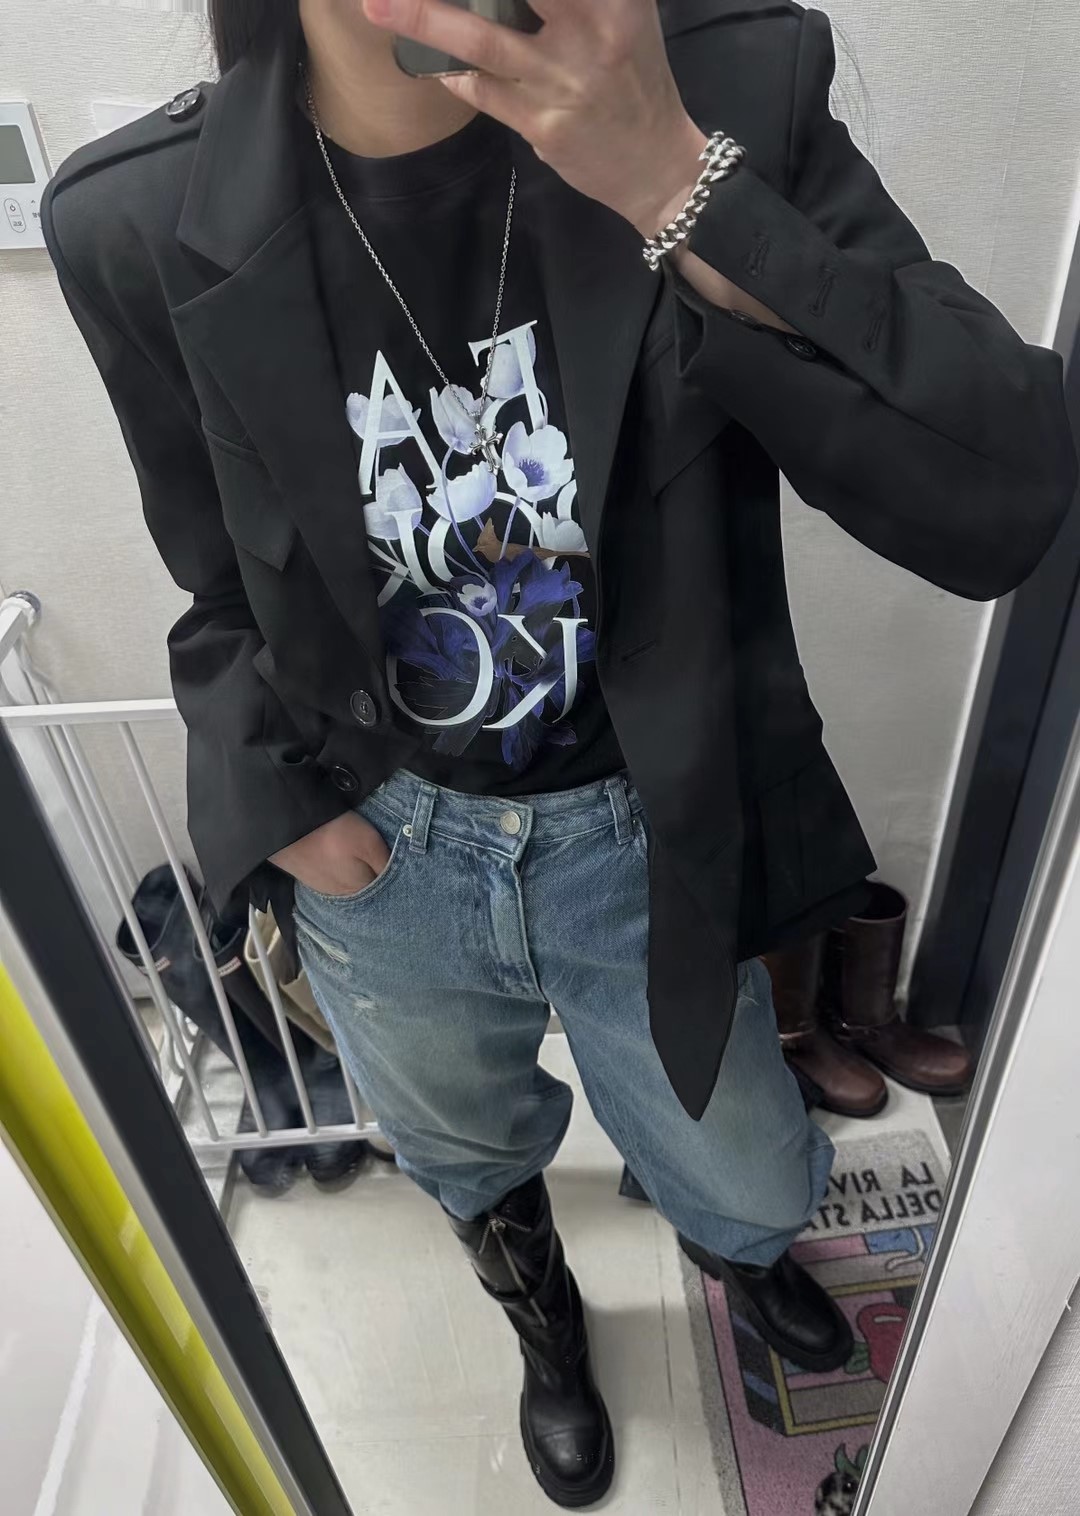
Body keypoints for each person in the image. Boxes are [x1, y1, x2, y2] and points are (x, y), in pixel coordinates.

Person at [42, 0, 1076, 1505]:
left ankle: (739, 1257)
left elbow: (1005, 497)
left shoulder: (728, 87)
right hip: (386, 846)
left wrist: (675, 182)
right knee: (463, 1143)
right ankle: (542, 1318)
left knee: (745, 1161)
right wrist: (280, 804)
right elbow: (216, 581)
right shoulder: (137, 217)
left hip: (643, 826)